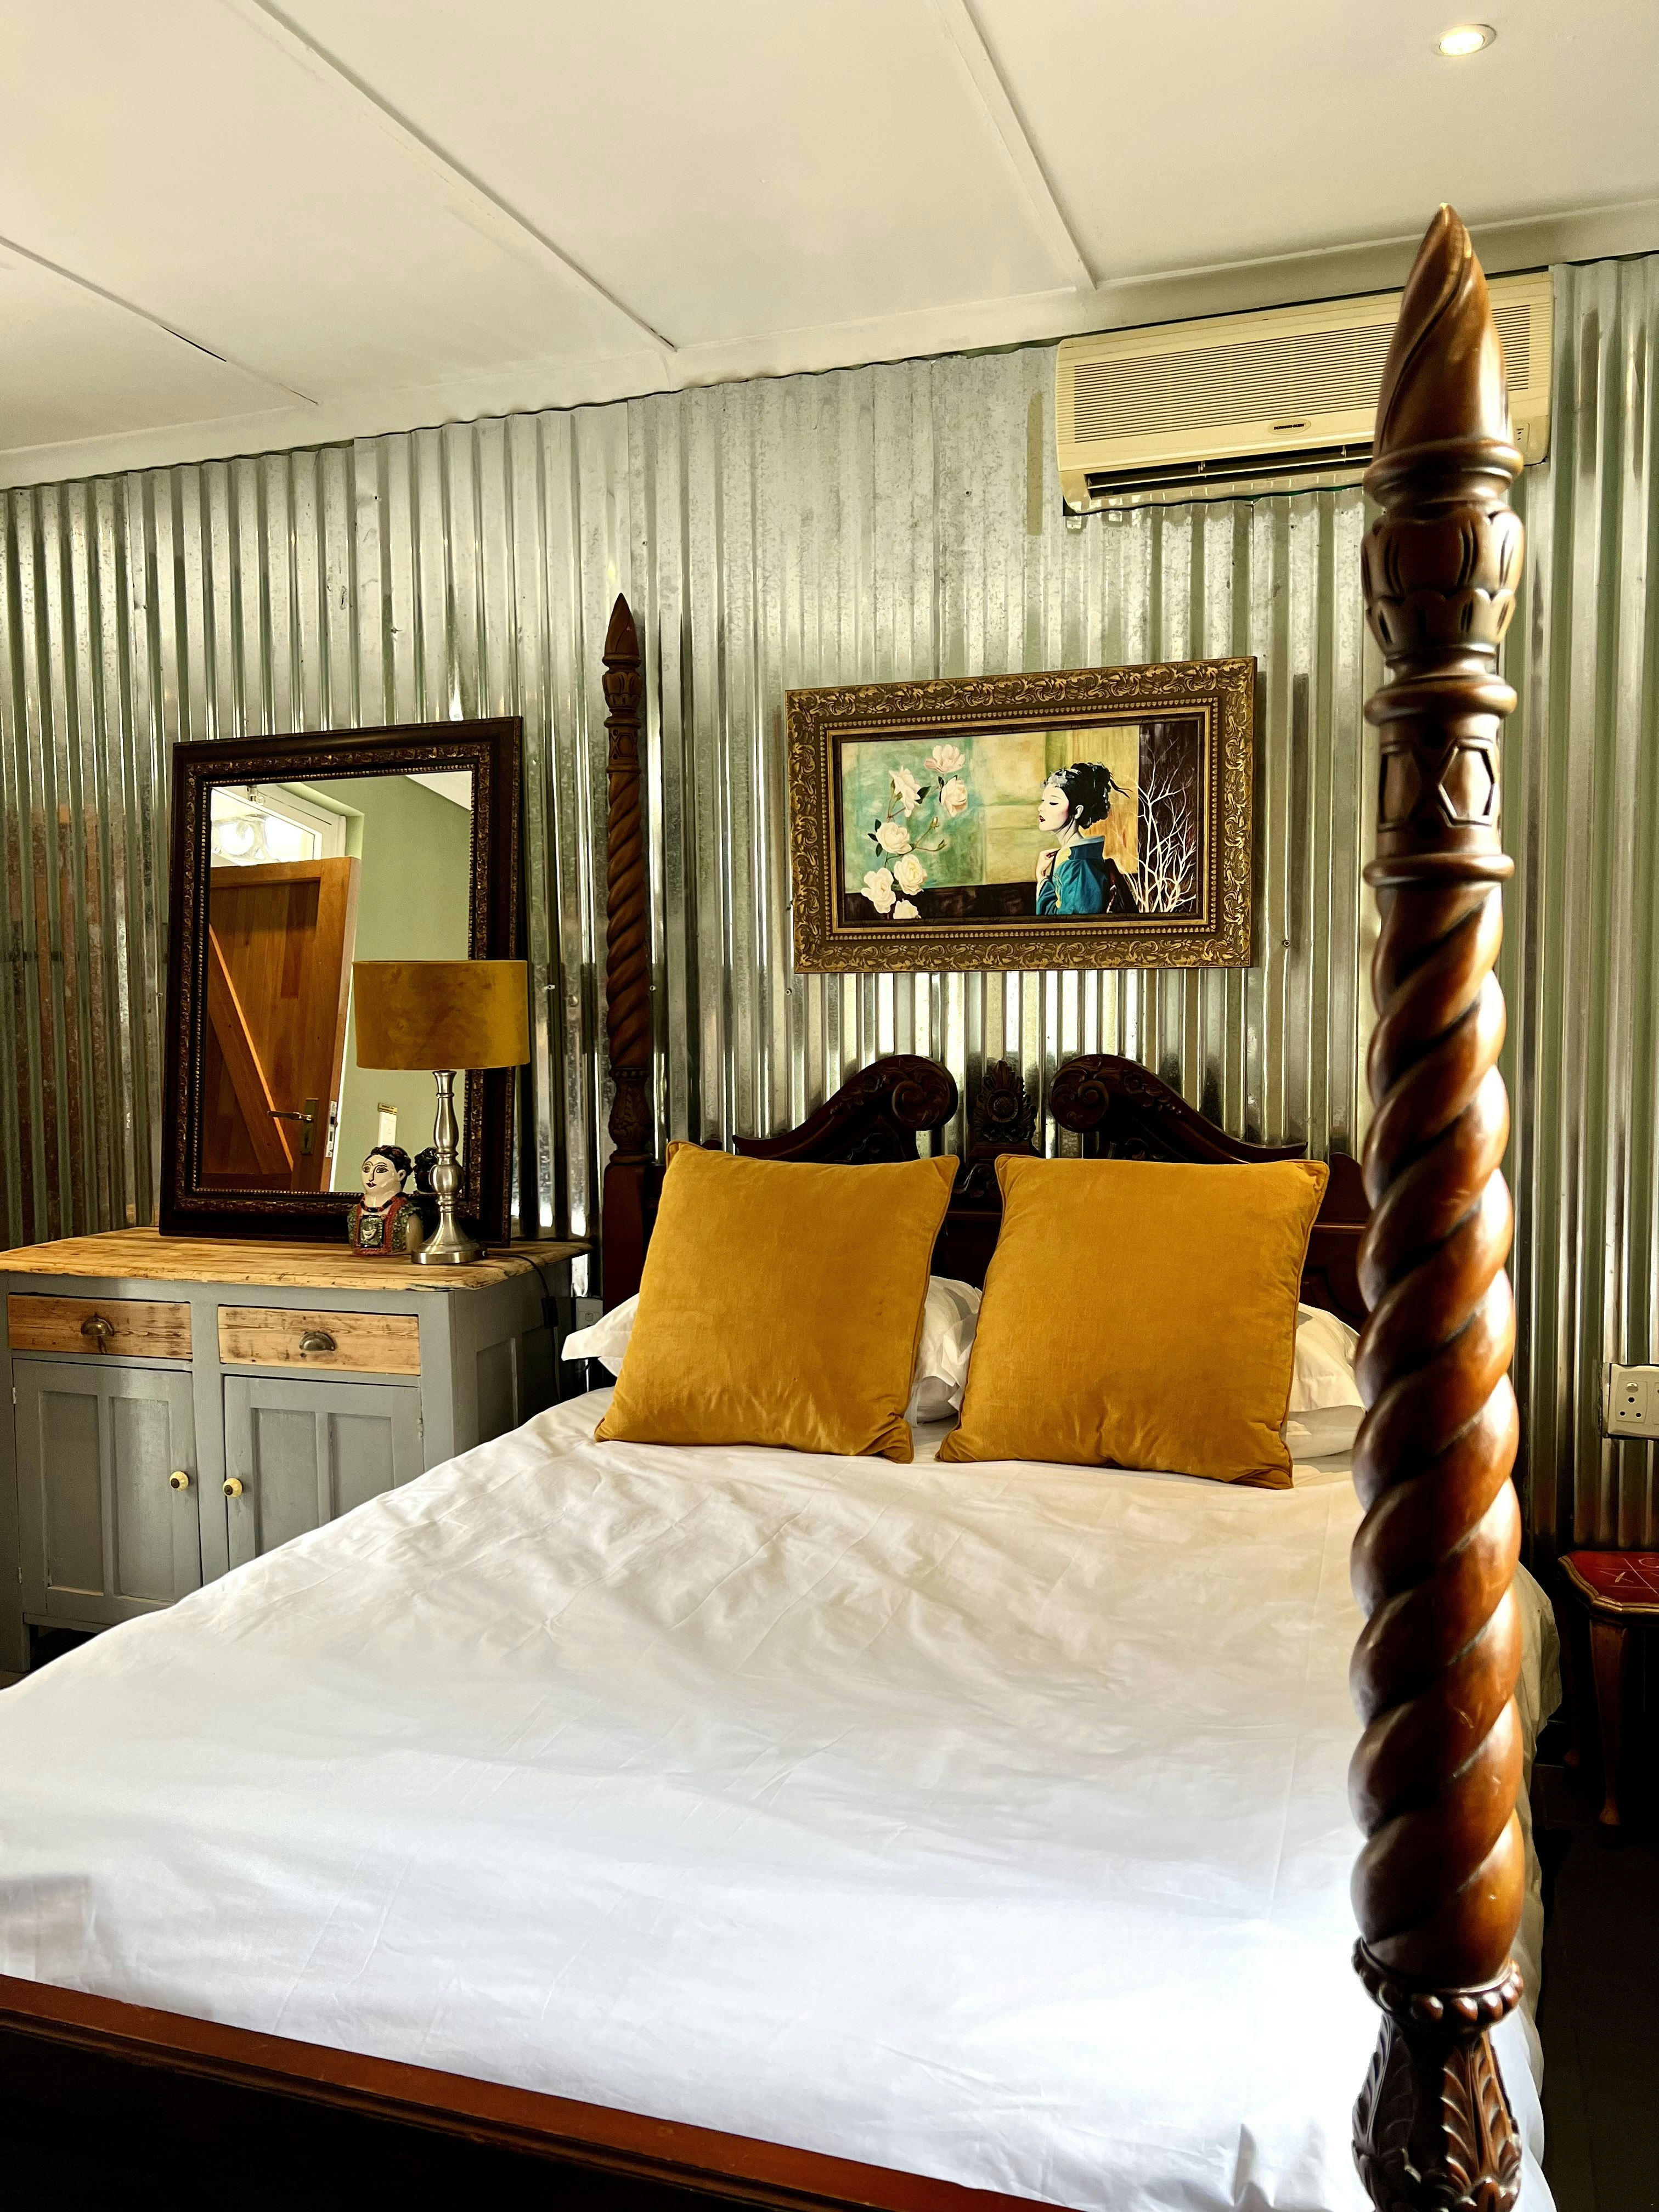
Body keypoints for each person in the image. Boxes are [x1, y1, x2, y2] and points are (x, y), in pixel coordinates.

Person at [1034, 761, 1138, 916]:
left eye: (1053, 802)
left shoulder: (1079, 865)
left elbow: (1069, 925)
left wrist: (1042, 878)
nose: (1041, 808)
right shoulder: (1073, 857)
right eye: (1043, 801)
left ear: (1077, 812)